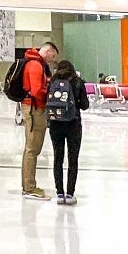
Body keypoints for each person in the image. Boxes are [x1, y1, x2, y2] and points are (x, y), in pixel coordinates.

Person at [16, 42, 57, 200]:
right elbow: (36, 90)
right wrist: (51, 93)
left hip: (35, 108)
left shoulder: (37, 64)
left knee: (32, 149)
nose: (52, 60)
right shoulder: (35, 65)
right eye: (52, 56)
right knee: (32, 149)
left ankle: (28, 185)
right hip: (34, 109)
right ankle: (29, 188)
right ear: (48, 51)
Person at [45, 58, 89, 205]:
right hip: (73, 124)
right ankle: (70, 194)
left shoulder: (52, 82)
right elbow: (85, 105)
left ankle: (59, 193)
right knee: (73, 159)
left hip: (55, 124)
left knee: (58, 158)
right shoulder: (77, 81)